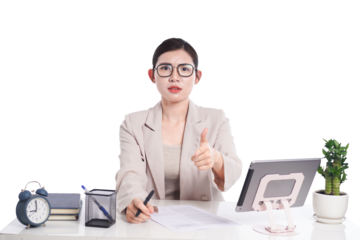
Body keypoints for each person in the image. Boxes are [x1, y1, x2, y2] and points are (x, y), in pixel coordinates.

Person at [115, 36, 243, 224]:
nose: (174, 77)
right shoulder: (133, 122)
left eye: (184, 69)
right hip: (153, 220)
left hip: (204, 223)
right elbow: (129, 173)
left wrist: (215, 159)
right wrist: (133, 200)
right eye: (165, 68)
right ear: (151, 75)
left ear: (197, 77)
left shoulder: (217, 117)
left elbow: (234, 172)